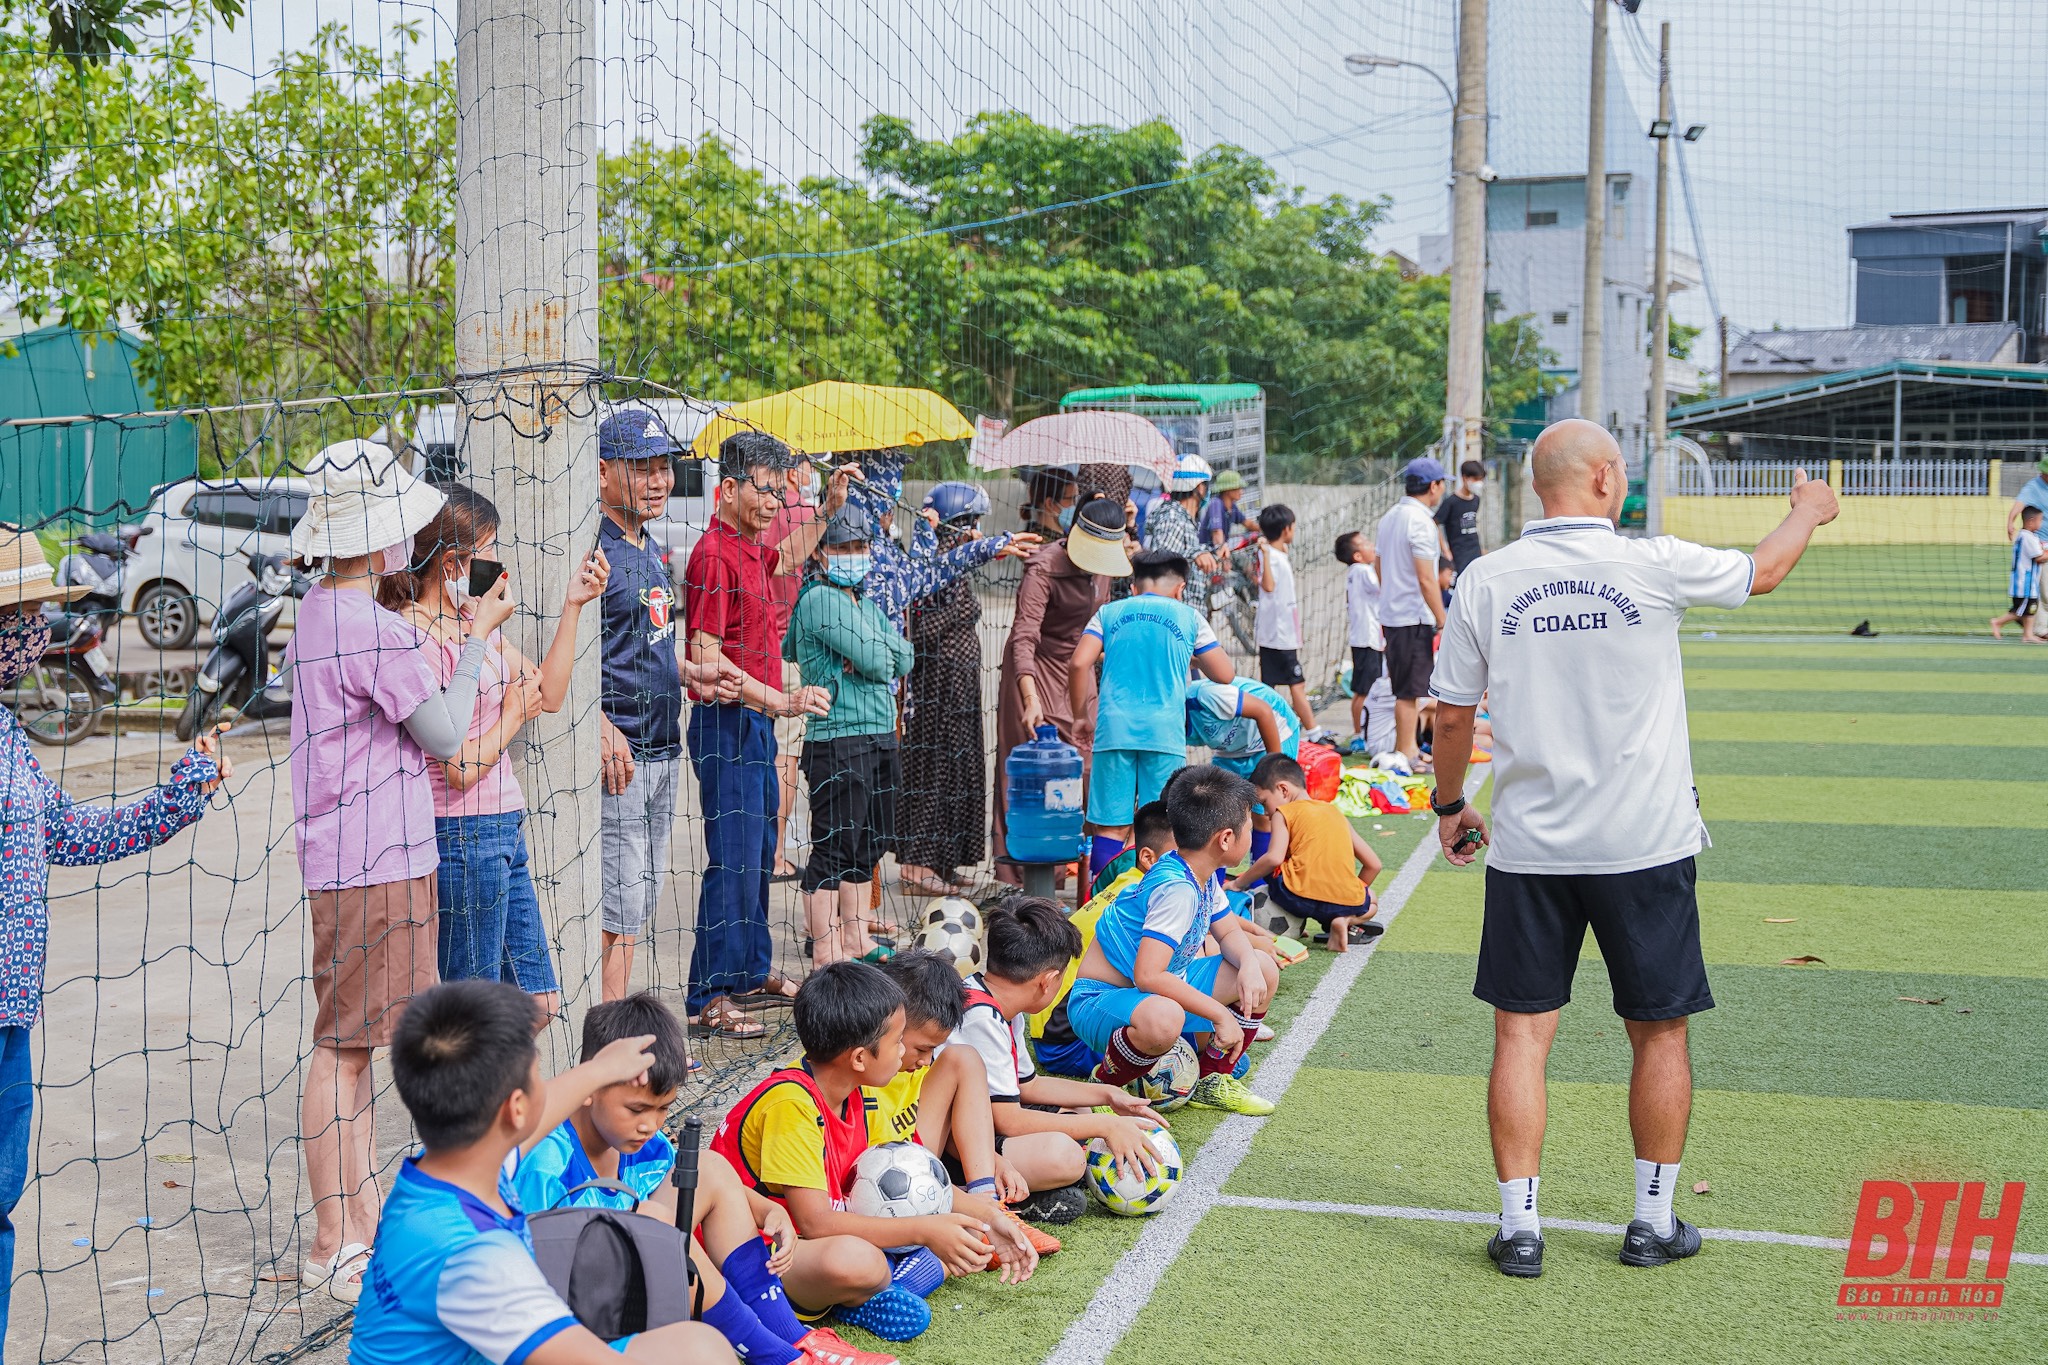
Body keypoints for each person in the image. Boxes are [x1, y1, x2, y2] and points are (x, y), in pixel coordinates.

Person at [1428, 417, 1838, 1279]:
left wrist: (1450, 803)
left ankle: (1521, 1229)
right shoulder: (1652, 563)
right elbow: (1763, 571)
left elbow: (1455, 715)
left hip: (1532, 849)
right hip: (1645, 844)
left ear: (1539, 486)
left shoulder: (1488, 579)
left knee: (1522, 1037)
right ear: (1608, 478)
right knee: (1658, 1034)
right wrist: (1808, 507)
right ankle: (1651, 1222)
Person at [285, 439, 518, 1303]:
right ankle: (334, 1234)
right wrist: (479, 637)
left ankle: (358, 1215)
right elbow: (448, 734)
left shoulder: (318, 607)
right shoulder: (373, 628)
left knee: (357, 1042)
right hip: (373, 854)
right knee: (345, 1048)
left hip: (357, 848)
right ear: (385, 538)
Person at [0, 527, 230, 1341]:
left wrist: (186, 786)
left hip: (11, 1014)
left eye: (32, 615)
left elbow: (73, 833)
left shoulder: (9, 737)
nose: (32, 634)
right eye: (16, 617)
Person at [351, 977, 736, 1364]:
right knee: (701, 1352)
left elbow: (547, 1105)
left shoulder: (446, 1170)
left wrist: (601, 1070)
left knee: (697, 1345)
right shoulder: (480, 1258)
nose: (549, 1087)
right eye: (538, 1075)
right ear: (516, 1109)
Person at [514, 993, 897, 1365]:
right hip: (580, 1312)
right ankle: (776, 1354)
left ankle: (793, 1338)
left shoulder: (643, 1143)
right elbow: (546, 1266)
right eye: (636, 1109)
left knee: (706, 1168)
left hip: (633, 1294)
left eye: (663, 1108)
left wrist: (765, 1209)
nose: (650, 1124)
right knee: (655, 1223)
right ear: (586, 1091)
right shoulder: (547, 1160)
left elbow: (698, 1181)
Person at [381, 484, 609, 1025]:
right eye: (489, 549)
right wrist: (510, 715)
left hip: (503, 823)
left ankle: (504, 1105)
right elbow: (457, 767)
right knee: (471, 1012)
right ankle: (458, 1108)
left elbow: (547, 695)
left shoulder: (470, 622)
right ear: (454, 560)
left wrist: (573, 604)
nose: (497, 563)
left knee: (537, 1001)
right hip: (459, 832)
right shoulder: (415, 636)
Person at [710, 962, 1032, 1343]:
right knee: (857, 1261)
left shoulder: (860, 1094)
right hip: (761, 1258)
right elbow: (815, 1224)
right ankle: (870, 1287)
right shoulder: (791, 1106)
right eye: (898, 1042)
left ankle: (879, 1285)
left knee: (939, 1234)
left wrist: (989, 1218)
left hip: (814, 1241)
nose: (905, 1056)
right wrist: (924, 1230)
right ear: (861, 1058)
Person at [593, 410, 769, 1007]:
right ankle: (607, 1041)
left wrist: (689, 671)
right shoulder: (594, 551)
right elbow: (560, 651)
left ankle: (613, 1030)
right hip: (622, 755)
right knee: (615, 909)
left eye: (664, 468)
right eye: (642, 469)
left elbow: (648, 642)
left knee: (639, 901)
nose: (659, 481)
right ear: (603, 475)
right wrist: (595, 724)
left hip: (663, 746)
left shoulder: (647, 549)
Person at [681, 429, 846, 1036]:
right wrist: (780, 698)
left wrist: (826, 511)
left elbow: (789, 557)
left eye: (782, 490)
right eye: (766, 489)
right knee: (732, 862)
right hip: (726, 726)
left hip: (756, 724)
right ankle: (709, 995)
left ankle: (751, 971)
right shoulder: (712, 555)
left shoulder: (751, 546)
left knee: (756, 857)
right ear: (728, 489)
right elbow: (704, 656)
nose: (777, 502)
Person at [1067, 764, 1278, 1116]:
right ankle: (1103, 1091)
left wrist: (1250, 965)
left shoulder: (1202, 873)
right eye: (1249, 826)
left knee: (1265, 969)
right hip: (1102, 1001)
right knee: (1166, 1017)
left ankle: (1212, 1079)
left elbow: (1227, 932)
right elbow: (1148, 976)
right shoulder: (1177, 888)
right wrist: (1219, 1015)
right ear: (1225, 839)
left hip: (1156, 993)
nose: (1252, 834)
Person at [946, 897, 1168, 1204]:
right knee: (1065, 1158)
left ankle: (1032, 1184)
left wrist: (1107, 1094)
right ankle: (986, 1189)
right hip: (953, 1146)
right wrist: (1106, 1124)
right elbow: (1009, 1120)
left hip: (979, 1126)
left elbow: (1028, 1085)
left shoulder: (995, 1000)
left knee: (1080, 1111)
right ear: (1049, 981)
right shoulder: (981, 1018)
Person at [784, 505, 915, 967]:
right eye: (844, 547)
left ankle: (856, 938)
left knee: (869, 841)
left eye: (861, 547)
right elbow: (884, 663)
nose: (855, 555)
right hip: (838, 737)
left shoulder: (865, 601)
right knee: (834, 843)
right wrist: (875, 654)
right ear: (821, 552)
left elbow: (905, 657)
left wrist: (872, 651)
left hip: (880, 733)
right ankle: (825, 949)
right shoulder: (819, 599)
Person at [872, 951, 1061, 1254]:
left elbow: (941, 1125)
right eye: (921, 1048)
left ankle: (986, 1200)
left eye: (930, 1050)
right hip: (891, 1184)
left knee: (964, 1058)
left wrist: (994, 1161)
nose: (925, 1060)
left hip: (921, 1163)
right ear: (892, 1022)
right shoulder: (868, 1074)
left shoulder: (914, 1063)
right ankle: (977, 1214)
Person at [1066, 549, 1232, 883]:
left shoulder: (1109, 613)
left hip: (1113, 730)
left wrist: (1080, 716)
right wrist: (1189, 656)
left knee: (1110, 826)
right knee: (1163, 821)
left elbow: (1078, 663)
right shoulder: (1189, 616)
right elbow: (1224, 674)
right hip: (1164, 734)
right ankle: (1162, 897)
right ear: (1180, 588)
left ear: (1133, 587)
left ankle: (1103, 902)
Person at [994, 494, 1124, 876]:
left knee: (1091, 765)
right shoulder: (1044, 568)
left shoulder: (1105, 567)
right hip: (1034, 672)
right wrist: (1029, 698)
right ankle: (1024, 880)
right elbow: (1024, 637)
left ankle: (1083, 870)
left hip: (1079, 673)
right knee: (1035, 772)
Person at [1231, 754, 1381, 951]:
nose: (1266, 812)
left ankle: (1293, 917)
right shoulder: (1335, 813)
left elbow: (1274, 858)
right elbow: (1374, 865)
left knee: (1274, 868)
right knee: (1372, 901)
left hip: (1293, 896)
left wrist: (1238, 883)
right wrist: (1348, 893)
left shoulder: (1283, 813)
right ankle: (1345, 920)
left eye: (1265, 802)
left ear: (1283, 789)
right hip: (1337, 903)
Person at [1374, 455, 1449, 769]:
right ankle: (1406, 753)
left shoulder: (1390, 516)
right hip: (1412, 616)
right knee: (1407, 692)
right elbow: (1425, 578)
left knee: (1408, 688)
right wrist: (1443, 619)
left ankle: (1407, 750)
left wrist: (1392, 592)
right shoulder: (1420, 521)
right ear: (1433, 486)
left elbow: (1378, 565)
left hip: (1395, 614)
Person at [769, 458, 821, 881]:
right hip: (791, 654)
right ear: (793, 471)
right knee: (785, 756)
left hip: (749, 653)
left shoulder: (748, 512)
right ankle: (775, 853)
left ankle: (758, 849)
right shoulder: (806, 516)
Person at [1252, 504, 1328, 743]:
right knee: (1297, 684)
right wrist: (1264, 554)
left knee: (1271, 686)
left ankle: (1267, 733)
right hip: (1278, 635)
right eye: (1293, 526)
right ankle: (1314, 733)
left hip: (1279, 632)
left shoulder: (1277, 553)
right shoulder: (1269, 556)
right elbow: (1269, 586)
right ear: (1286, 529)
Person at [1143, 453, 1217, 616]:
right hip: (1176, 617)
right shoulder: (1172, 518)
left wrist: (1213, 552)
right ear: (1200, 487)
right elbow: (1162, 564)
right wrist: (1195, 553)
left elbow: (1181, 553)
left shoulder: (1184, 518)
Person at [1336, 531, 1383, 754]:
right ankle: (1359, 734)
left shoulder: (1356, 571)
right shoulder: (1364, 571)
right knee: (1364, 690)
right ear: (1356, 555)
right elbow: (1382, 586)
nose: (1372, 545)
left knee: (1362, 689)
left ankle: (1361, 732)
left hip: (1365, 638)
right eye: (1365, 543)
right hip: (1367, 639)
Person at [1992, 504, 2048, 641]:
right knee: (2020, 611)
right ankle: (1997, 622)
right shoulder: (2027, 537)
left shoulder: (2027, 536)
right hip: (2024, 583)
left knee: (2030, 609)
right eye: (2040, 520)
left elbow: (2040, 549)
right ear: (2031, 521)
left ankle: (2028, 635)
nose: (2041, 524)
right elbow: (2039, 557)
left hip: (2028, 584)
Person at [1435, 459, 1487, 579]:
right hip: (1458, 553)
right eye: (1475, 479)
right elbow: (1435, 523)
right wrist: (1445, 549)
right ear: (1465, 478)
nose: (1478, 483)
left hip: (1475, 550)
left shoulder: (1476, 500)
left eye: (1480, 479)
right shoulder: (1451, 502)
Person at [1198, 468, 1248, 551]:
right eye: (1238, 488)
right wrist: (1222, 556)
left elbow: (1247, 523)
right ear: (1228, 490)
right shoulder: (1216, 504)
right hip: (1208, 552)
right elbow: (1217, 532)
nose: (1241, 492)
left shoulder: (1232, 506)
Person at [2005, 456, 2048, 544]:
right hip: (2040, 541)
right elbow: (2019, 505)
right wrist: (2010, 522)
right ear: (2045, 472)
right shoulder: (2033, 487)